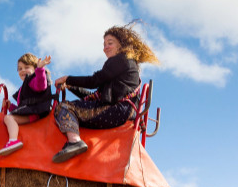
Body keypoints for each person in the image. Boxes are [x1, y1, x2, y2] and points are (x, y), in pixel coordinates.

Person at [50, 23, 158, 163]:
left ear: (121, 45)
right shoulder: (125, 67)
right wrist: (71, 86)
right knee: (79, 105)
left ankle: (74, 141)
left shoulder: (120, 60)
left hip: (117, 110)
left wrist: (67, 78)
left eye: (110, 43)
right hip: (124, 110)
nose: (105, 47)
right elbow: (94, 96)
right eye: (104, 44)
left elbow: (94, 81)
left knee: (64, 107)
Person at [0, 53, 53, 156]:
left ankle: (13, 140)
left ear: (35, 68)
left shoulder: (33, 80)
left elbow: (41, 85)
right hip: (32, 112)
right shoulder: (25, 86)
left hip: (35, 113)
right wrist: (10, 106)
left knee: (8, 118)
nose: (23, 70)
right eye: (20, 68)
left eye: (26, 67)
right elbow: (22, 108)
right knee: (10, 117)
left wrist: (40, 69)